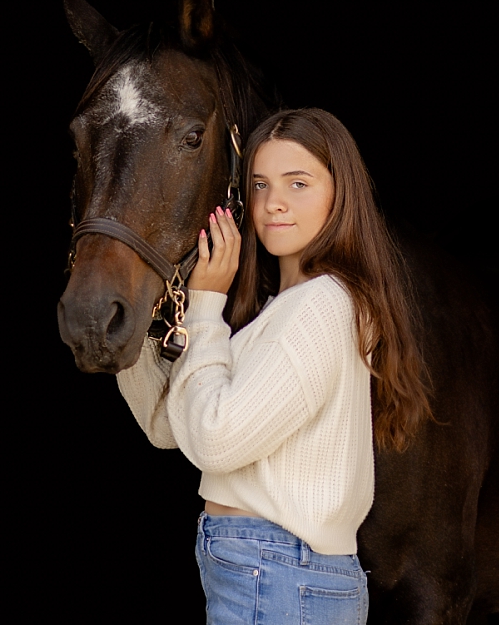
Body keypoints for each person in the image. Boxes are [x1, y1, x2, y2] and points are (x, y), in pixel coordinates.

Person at [117, 108, 431, 624]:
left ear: (340, 194)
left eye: (298, 183)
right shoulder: (284, 309)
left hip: (281, 571)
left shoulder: (321, 307)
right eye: (259, 184)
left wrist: (204, 306)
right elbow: (174, 427)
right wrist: (127, 325)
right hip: (272, 569)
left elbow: (214, 441)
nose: (273, 204)